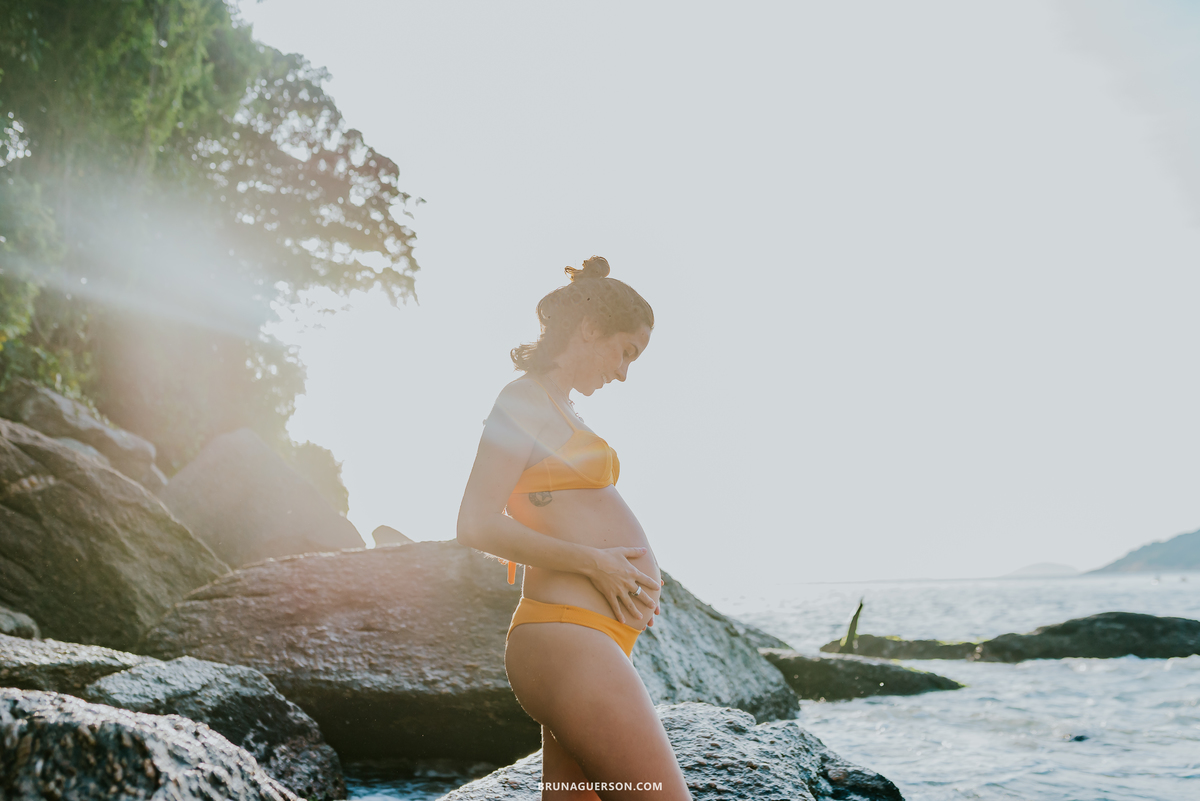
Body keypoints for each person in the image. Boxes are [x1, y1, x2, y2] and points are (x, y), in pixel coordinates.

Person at [457, 256, 692, 800]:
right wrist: (596, 562)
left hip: (588, 639)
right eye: (625, 352)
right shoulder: (522, 399)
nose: (624, 372)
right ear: (589, 328)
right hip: (567, 638)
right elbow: (474, 521)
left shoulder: (558, 408)